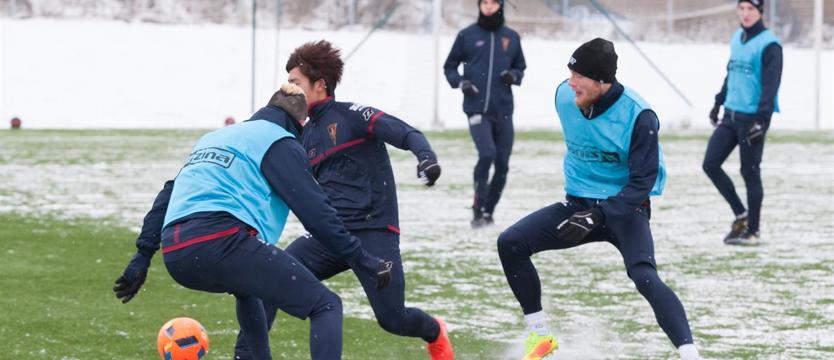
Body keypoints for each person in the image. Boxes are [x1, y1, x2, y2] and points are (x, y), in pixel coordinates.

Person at [112, 83, 393, 360]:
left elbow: (168, 194)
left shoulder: (215, 138)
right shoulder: (280, 141)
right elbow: (317, 216)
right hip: (219, 242)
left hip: (177, 254)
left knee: (248, 289)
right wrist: (363, 259)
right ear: (301, 123)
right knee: (326, 305)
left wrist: (142, 256)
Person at [233, 40, 453, 360]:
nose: (288, 90)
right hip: (329, 235)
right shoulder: (300, 135)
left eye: (295, 83)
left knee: (392, 319)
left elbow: (407, 133)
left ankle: (434, 330)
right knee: (269, 281)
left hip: (374, 232)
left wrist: (426, 159)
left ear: (320, 85)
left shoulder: (352, 115)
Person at [496, 38, 701, 360]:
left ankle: (691, 355)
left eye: (579, 77)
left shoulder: (639, 116)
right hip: (577, 206)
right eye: (570, 74)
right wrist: (587, 210)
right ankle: (540, 336)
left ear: (602, 81)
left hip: (625, 210)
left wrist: (601, 214)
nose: (571, 83)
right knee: (511, 242)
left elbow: (642, 183)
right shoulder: (565, 96)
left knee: (644, 276)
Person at [703, 0, 782, 246]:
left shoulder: (770, 45)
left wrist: (762, 120)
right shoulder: (737, 37)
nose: (745, 14)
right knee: (710, 164)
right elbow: (731, 72)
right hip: (731, 115)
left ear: (760, 12)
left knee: (749, 172)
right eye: (742, 8)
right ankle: (741, 214)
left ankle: (753, 231)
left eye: (751, 9)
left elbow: (771, 86)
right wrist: (719, 101)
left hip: (752, 118)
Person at [443, 0, 526, 228]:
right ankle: (478, 208)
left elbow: (521, 67)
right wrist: (461, 83)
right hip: (476, 109)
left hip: (504, 111)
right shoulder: (466, 35)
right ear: (479, 5)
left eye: (493, 2)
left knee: (502, 164)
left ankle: (489, 212)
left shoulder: (511, 36)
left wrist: (514, 76)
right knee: (487, 154)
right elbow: (449, 67)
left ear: (500, 5)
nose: (489, 7)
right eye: (485, 2)